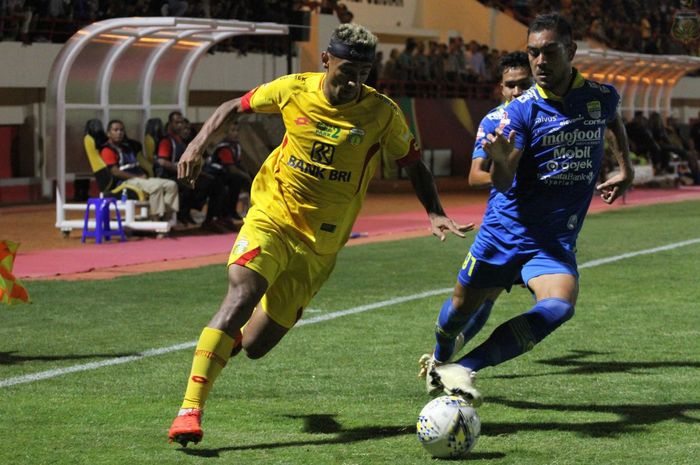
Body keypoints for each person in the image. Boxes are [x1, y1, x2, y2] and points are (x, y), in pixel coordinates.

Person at [168, 23, 472, 447]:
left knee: (255, 345)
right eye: (347, 70)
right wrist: (198, 144)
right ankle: (190, 410)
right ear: (326, 60)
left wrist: (436, 212)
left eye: (364, 73)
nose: (354, 81)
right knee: (241, 294)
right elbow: (233, 107)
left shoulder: (381, 113)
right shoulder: (293, 88)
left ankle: (229, 338)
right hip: (273, 214)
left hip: (320, 245)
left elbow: (413, 163)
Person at [418, 13, 634, 406]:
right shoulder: (518, 112)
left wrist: (625, 166)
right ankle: (442, 353)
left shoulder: (600, 97)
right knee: (461, 311)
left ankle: (463, 367)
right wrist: (501, 160)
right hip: (505, 234)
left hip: (551, 241)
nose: (539, 61)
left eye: (548, 52)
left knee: (559, 305)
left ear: (570, 51)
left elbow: (612, 119)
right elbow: (499, 182)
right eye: (533, 53)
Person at [469, 51, 534, 189]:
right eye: (510, 85)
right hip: (504, 209)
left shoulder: (549, 114)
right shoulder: (491, 121)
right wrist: (505, 176)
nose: (517, 92)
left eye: (524, 84)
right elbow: (474, 177)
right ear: (502, 89)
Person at [157, 111, 228, 231]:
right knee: (188, 185)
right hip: (171, 176)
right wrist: (182, 170)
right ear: (170, 124)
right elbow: (162, 162)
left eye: (181, 122)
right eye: (177, 122)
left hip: (185, 175)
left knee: (217, 184)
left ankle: (209, 219)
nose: (180, 125)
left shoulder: (183, 141)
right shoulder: (167, 141)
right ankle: (183, 215)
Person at [99, 120, 179, 220]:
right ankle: (155, 220)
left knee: (172, 185)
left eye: (121, 130)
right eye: (115, 130)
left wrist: (141, 176)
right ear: (108, 133)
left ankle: (167, 218)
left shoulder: (127, 147)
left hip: (140, 179)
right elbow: (115, 172)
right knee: (155, 187)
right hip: (125, 182)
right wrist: (138, 177)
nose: (119, 132)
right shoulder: (107, 150)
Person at [204, 120, 252, 221]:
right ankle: (221, 216)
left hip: (226, 176)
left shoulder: (236, 146)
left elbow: (239, 164)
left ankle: (233, 212)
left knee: (242, 180)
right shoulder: (224, 147)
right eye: (233, 130)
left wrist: (248, 174)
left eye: (237, 130)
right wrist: (246, 176)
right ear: (226, 133)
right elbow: (231, 168)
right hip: (215, 175)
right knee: (235, 182)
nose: (236, 133)